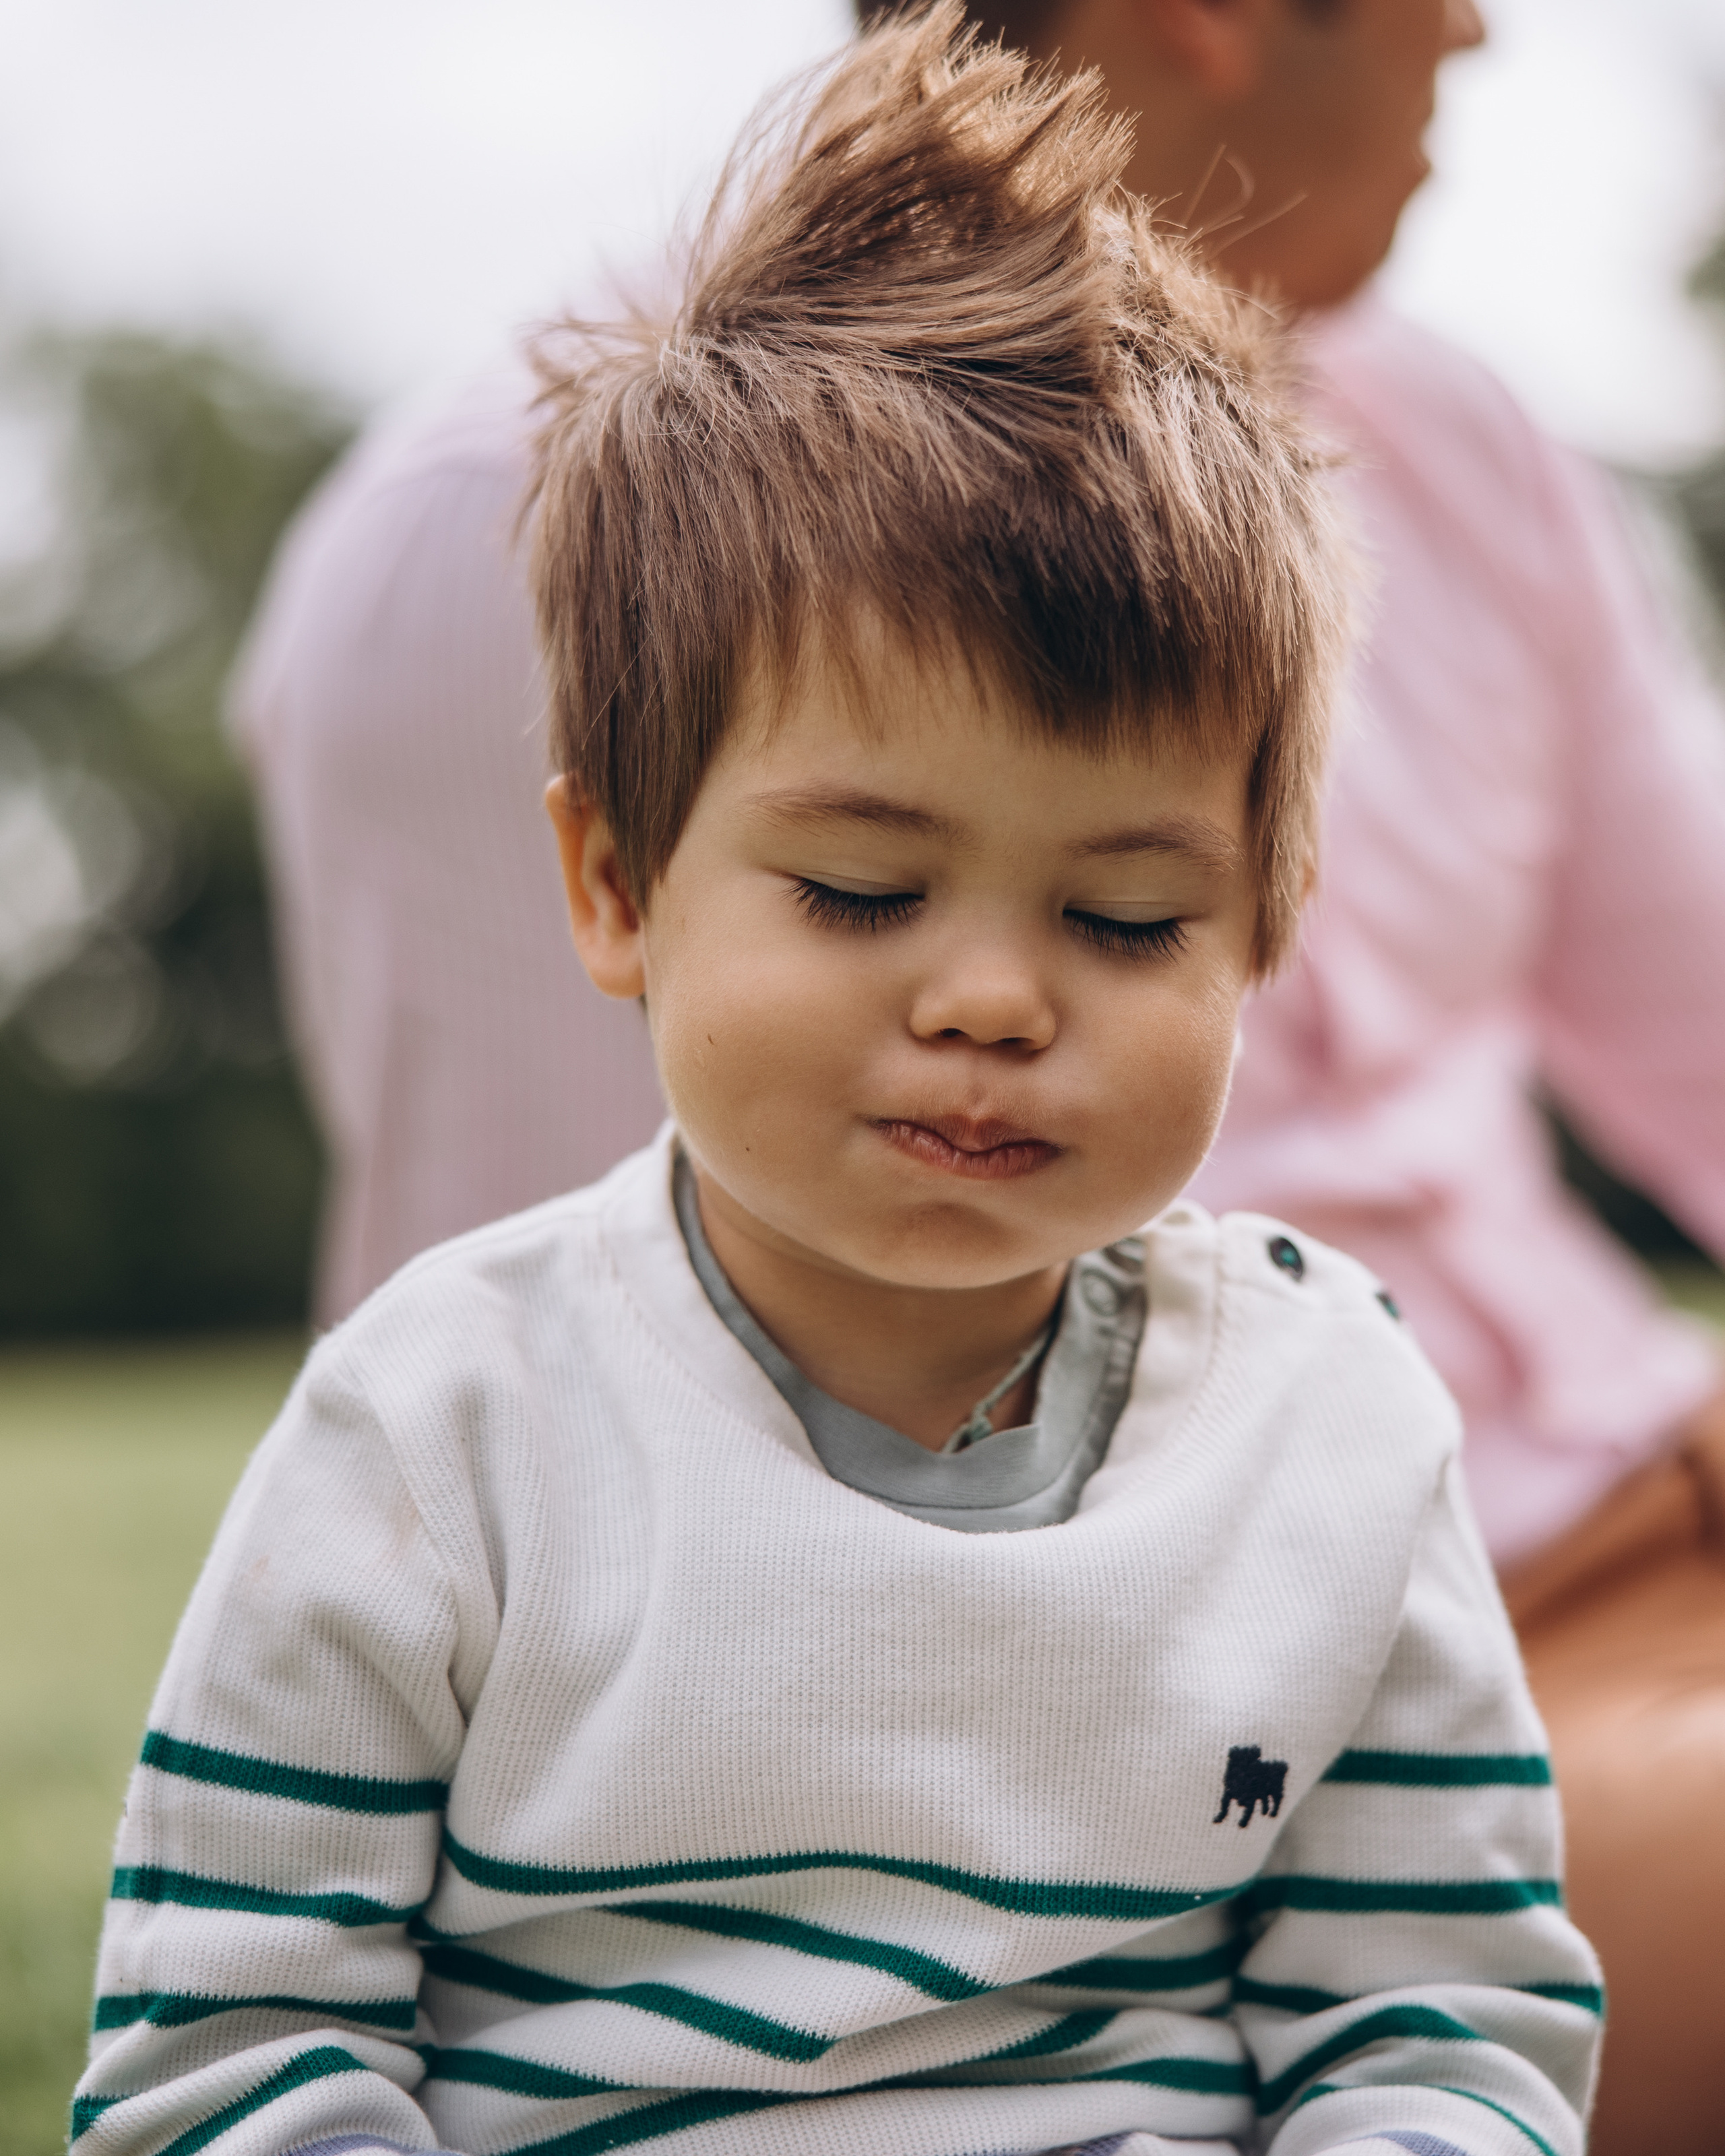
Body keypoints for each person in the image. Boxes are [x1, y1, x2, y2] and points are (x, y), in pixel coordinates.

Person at [81, 18, 1598, 2156]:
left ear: (1267, 920)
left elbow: (1433, 2019)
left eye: (1131, 922)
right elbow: (236, 2063)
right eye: (868, 890)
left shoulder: (1331, 1429)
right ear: (616, 884)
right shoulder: (437, 1438)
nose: (993, 1001)